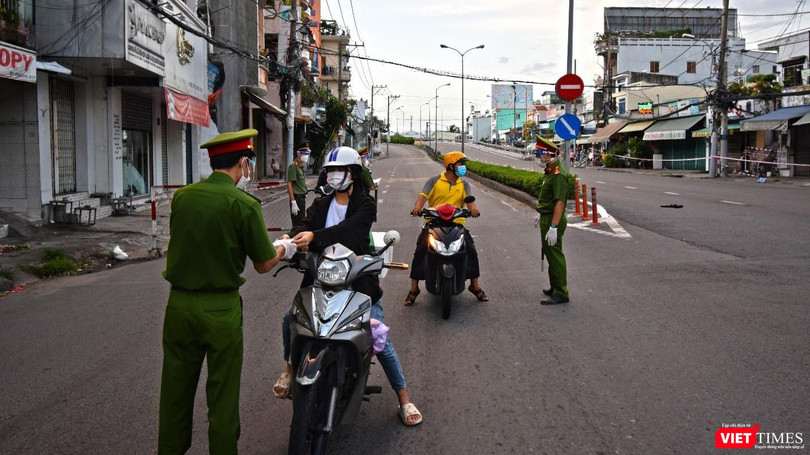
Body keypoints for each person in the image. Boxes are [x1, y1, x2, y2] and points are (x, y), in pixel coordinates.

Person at [159, 129, 296, 455]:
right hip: (220, 310)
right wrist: (284, 248)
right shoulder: (244, 204)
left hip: (178, 306)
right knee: (222, 397)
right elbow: (263, 263)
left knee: (174, 393)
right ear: (243, 163)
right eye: (249, 163)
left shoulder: (183, 198)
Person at [272, 146, 423, 426]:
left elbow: (350, 232)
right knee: (290, 319)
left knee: (377, 335)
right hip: (321, 277)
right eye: (329, 171)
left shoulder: (366, 205)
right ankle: (289, 369)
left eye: (338, 170)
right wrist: (289, 238)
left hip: (358, 279)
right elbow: (304, 224)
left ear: (352, 173)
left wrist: (313, 236)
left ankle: (403, 398)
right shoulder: (322, 203)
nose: (332, 176)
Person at [405, 151, 488, 306]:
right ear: (450, 166)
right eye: (461, 164)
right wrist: (417, 207)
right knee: (421, 249)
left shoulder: (464, 184)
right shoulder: (434, 181)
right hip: (433, 223)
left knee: (470, 249)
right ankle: (414, 289)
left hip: (456, 224)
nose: (463, 167)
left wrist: (473, 210)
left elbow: (470, 202)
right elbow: (422, 196)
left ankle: (474, 286)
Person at [534, 137, 570, 305]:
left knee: (555, 256)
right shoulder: (550, 170)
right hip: (547, 217)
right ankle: (555, 287)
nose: (538, 157)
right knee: (550, 254)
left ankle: (561, 292)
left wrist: (553, 226)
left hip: (553, 220)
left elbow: (559, 202)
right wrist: (542, 213)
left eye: (539, 154)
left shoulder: (558, 174)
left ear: (548, 155)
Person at [287, 143, 309, 227]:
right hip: (297, 199)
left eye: (307, 153)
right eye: (304, 153)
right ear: (298, 154)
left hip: (301, 198)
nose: (306, 156)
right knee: (298, 224)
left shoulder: (300, 166)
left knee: (301, 222)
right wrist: (293, 201)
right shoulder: (293, 166)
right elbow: (289, 184)